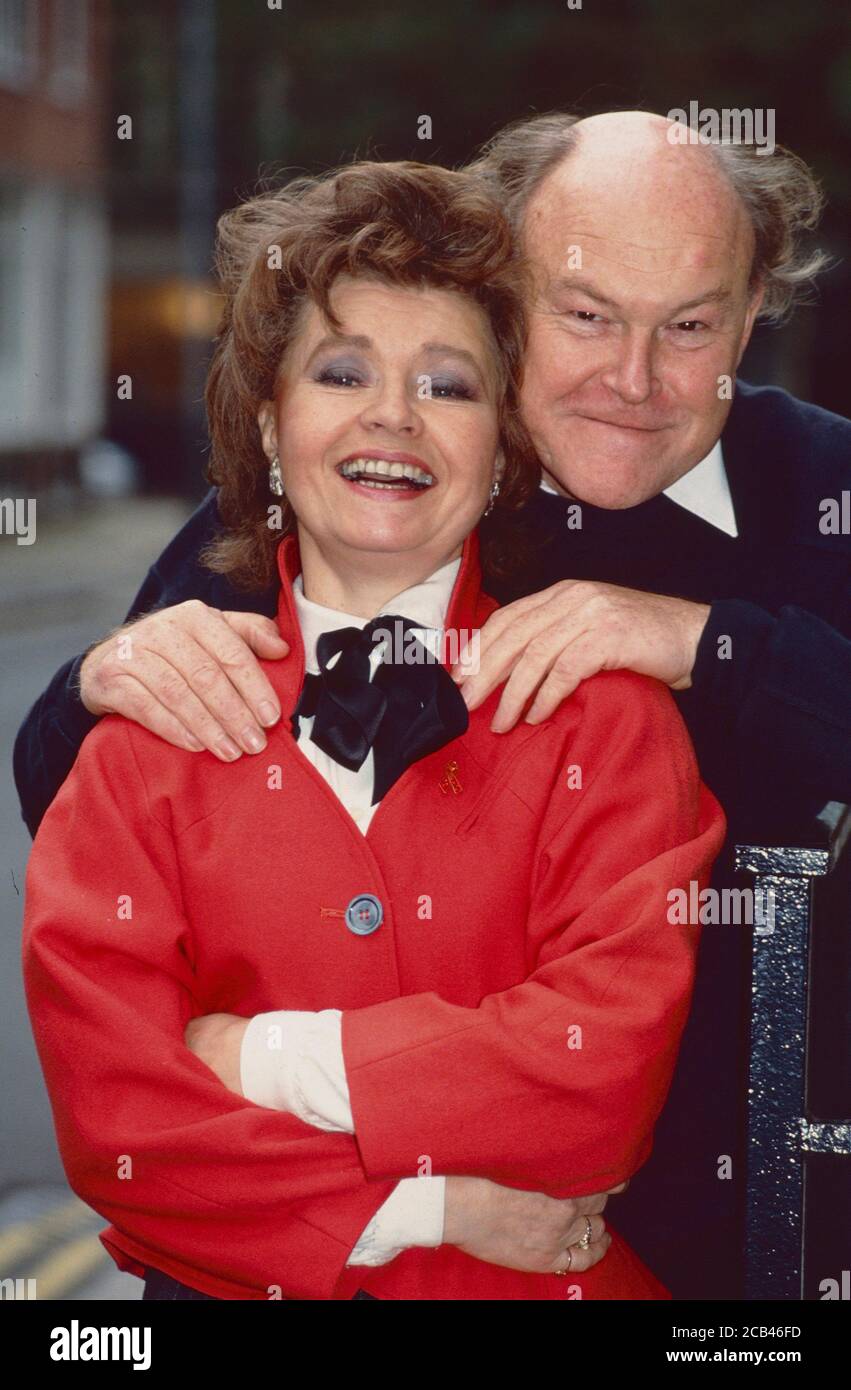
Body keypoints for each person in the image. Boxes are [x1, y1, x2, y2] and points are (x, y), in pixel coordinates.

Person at [15, 111, 850, 1297]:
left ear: (755, 302)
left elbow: (603, 1052)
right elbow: (94, 820)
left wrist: (714, 646)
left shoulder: (830, 495)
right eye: (583, 314)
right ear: (504, 275)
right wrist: (92, 683)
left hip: (735, 1256)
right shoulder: (332, 495)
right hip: (269, 1254)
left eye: (688, 327)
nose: (630, 377)